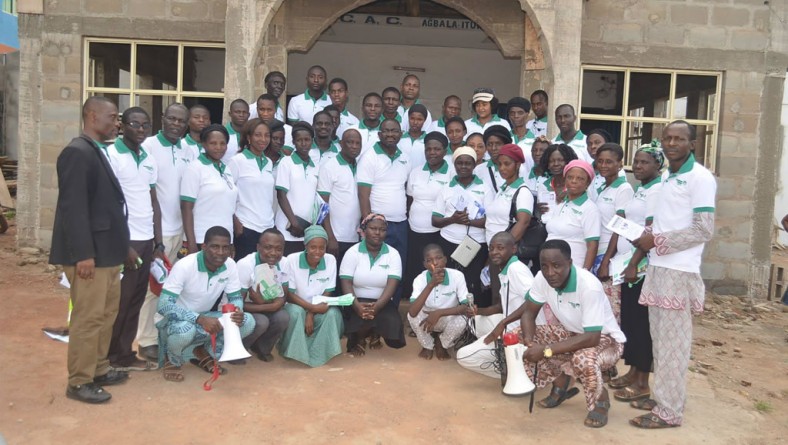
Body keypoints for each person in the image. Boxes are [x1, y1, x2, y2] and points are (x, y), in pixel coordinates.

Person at [629, 121, 716, 429]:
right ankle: (662, 397)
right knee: (660, 342)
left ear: (693, 143)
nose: (672, 143)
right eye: (667, 138)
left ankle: (669, 412)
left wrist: (657, 241)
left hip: (679, 272)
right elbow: (666, 220)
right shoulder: (668, 175)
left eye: (680, 138)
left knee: (674, 347)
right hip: (658, 267)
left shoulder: (700, 178)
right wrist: (648, 237)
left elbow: (703, 229)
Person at [50, 96, 130, 403]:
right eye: (112, 117)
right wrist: (83, 253)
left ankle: (98, 368)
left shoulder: (95, 150)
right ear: (93, 116)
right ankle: (79, 381)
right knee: (88, 318)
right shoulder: (77, 152)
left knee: (106, 315)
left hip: (107, 253)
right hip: (90, 256)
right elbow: (73, 209)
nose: (117, 123)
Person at [520, 239, 625, 428]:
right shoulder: (541, 278)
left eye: (556, 266)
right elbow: (528, 313)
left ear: (569, 263)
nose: (550, 273)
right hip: (572, 334)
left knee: (582, 359)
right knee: (518, 336)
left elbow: (592, 337)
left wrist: (545, 350)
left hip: (606, 340)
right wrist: (529, 342)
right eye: (544, 266)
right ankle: (561, 384)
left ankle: (600, 401)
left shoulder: (589, 285)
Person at [157, 226, 255, 382]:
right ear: (204, 247)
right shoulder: (185, 265)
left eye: (225, 247)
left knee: (247, 321)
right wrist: (200, 319)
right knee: (185, 331)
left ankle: (204, 352)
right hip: (176, 320)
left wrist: (238, 310)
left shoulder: (230, 265)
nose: (220, 252)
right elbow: (163, 305)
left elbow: (235, 297)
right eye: (215, 247)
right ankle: (172, 360)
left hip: (206, 316)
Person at [606, 143, 664, 404]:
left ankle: (642, 382)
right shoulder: (642, 188)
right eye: (636, 161)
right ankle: (633, 372)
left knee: (641, 324)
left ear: (657, 165)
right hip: (627, 266)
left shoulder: (656, 191)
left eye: (644, 162)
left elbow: (650, 232)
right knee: (630, 321)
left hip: (641, 268)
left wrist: (633, 264)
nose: (638, 166)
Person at [106, 107, 162, 372]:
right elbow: (108, 203)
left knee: (136, 300)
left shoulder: (148, 158)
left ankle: (125, 354)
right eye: (135, 124)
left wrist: (158, 242)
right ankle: (109, 357)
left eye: (145, 125)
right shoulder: (111, 155)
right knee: (120, 301)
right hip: (125, 240)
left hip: (146, 239)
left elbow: (153, 201)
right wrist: (123, 244)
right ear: (122, 126)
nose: (140, 129)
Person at [136, 103, 192, 362]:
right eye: (172, 119)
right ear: (162, 118)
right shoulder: (148, 147)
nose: (176, 124)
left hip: (181, 231)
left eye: (181, 121)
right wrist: (156, 239)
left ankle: (164, 334)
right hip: (158, 233)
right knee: (152, 288)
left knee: (174, 289)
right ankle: (146, 340)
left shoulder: (188, 149)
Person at [456, 232, 534, 378]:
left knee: (463, 356)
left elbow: (533, 301)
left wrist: (502, 324)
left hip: (522, 330)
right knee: (474, 321)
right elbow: (500, 307)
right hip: (509, 323)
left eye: (500, 248)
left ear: (513, 249)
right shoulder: (505, 269)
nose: (494, 252)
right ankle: (508, 360)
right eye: (491, 248)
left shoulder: (516, 269)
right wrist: (478, 311)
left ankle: (515, 372)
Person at [357, 118, 411, 304]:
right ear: (379, 135)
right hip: (377, 225)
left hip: (400, 223)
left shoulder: (405, 157)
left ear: (400, 134)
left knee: (397, 268)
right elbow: (363, 194)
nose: (390, 134)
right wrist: (368, 224)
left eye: (394, 131)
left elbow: (405, 189)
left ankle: (392, 310)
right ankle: (371, 310)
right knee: (376, 268)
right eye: (386, 131)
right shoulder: (369, 156)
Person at [278, 226, 344, 367]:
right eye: (313, 247)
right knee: (295, 313)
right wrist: (310, 309)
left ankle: (320, 353)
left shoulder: (330, 260)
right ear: (305, 245)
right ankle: (292, 351)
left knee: (333, 314)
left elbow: (328, 291)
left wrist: (311, 312)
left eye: (322, 248)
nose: (318, 252)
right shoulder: (292, 260)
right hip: (296, 305)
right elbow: (289, 294)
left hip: (318, 307)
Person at [340, 214, 406, 355]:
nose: (377, 232)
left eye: (382, 230)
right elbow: (346, 282)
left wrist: (377, 306)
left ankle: (376, 333)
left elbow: (392, 285)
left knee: (392, 321)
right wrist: (357, 306)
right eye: (373, 228)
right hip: (356, 300)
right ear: (364, 230)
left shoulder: (393, 254)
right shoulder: (352, 252)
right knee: (357, 318)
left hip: (382, 301)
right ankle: (360, 339)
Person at [432, 147, 488, 302]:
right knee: (450, 282)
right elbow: (435, 221)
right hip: (449, 243)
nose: (463, 166)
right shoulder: (446, 189)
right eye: (459, 163)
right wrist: (452, 219)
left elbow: (490, 220)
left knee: (473, 283)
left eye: (468, 163)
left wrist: (469, 222)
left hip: (476, 245)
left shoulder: (484, 188)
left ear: (474, 165)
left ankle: (471, 314)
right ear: (454, 165)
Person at [404, 131, 454, 297]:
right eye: (428, 149)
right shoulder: (416, 172)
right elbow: (410, 199)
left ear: (445, 151)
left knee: (437, 268)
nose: (432, 152)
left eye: (437, 149)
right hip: (415, 230)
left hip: (438, 232)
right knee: (416, 268)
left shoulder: (452, 173)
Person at [181, 124, 239, 253]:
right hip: (202, 239)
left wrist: (230, 241)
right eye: (213, 143)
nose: (218, 147)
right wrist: (191, 243)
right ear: (204, 144)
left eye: (222, 143)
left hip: (224, 240)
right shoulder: (195, 168)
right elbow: (186, 208)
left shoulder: (226, 168)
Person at [235, 228, 291, 362]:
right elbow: (237, 305)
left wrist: (264, 303)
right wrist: (267, 305)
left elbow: (282, 296)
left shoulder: (284, 263)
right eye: (268, 247)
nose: (273, 253)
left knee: (283, 317)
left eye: (279, 249)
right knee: (261, 321)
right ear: (258, 247)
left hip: (263, 305)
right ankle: (239, 349)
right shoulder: (245, 265)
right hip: (243, 310)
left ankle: (262, 348)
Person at [407, 244, 470, 360]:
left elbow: (466, 306)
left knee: (464, 319)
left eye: (438, 258)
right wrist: (431, 284)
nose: (435, 263)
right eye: (429, 260)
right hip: (427, 319)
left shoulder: (457, 276)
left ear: (445, 260)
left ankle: (442, 343)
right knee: (412, 317)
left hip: (448, 316)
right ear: (425, 264)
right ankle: (427, 345)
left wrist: (439, 313)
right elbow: (412, 312)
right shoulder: (419, 279)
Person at [594, 143, 634, 318]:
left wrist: (606, 262)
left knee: (611, 310)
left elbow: (620, 227)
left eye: (609, 162)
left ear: (620, 164)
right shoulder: (603, 188)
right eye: (600, 161)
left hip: (610, 256)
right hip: (598, 251)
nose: (603, 165)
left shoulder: (623, 189)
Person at [228, 118, 276, 260]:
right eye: (258, 135)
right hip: (246, 227)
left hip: (267, 227)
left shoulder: (268, 162)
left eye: (267, 135)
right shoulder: (237, 161)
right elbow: (226, 194)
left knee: (265, 270)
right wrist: (235, 221)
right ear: (248, 137)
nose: (263, 139)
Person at [318, 129, 362, 269]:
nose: (354, 146)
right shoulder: (329, 167)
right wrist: (330, 237)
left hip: (355, 236)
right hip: (336, 237)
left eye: (358, 143)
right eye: (350, 142)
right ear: (341, 144)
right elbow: (322, 205)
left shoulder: (361, 166)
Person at [545, 159, 600, 270]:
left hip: (573, 268)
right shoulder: (561, 204)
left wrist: (584, 274)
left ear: (587, 183)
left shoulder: (590, 209)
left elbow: (592, 246)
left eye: (580, 178)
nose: (574, 181)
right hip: (551, 267)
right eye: (570, 177)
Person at [275, 122, 320, 255]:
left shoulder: (315, 166)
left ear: (312, 141)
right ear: (294, 142)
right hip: (287, 227)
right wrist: (294, 223)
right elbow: (281, 195)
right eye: (299, 140)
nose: (303, 143)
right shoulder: (286, 162)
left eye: (307, 140)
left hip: (306, 229)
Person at [535, 143, 578, 224]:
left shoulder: (576, 185)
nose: (556, 164)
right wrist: (538, 210)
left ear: (568, 162)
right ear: (547, 165)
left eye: (560, 160)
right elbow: (543, 214)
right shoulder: (543, 186)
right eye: (551, 161)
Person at [585, 129, 624, 201]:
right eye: (589, 144)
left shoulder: (618, 172)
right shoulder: (586, 170)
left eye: (597, 142)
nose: (593, 146)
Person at [474, 124, 512, 193]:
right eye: (490, 144)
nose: (493, 148)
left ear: (506, 145)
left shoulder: (517, 168)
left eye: (498, 144)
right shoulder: (478, 170)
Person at [508, 96, 535, 171]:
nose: (516, 116)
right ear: (509, 115)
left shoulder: (535, 140)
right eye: (512, 113)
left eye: (520, 113)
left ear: (527, 114)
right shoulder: (504, 139)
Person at [224, 99, 250, 164]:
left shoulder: (252, 133)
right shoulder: (222, 133)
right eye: (237, 112)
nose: (241, 115)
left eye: (244, 112)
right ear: (230, 114)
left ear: (249, 115)